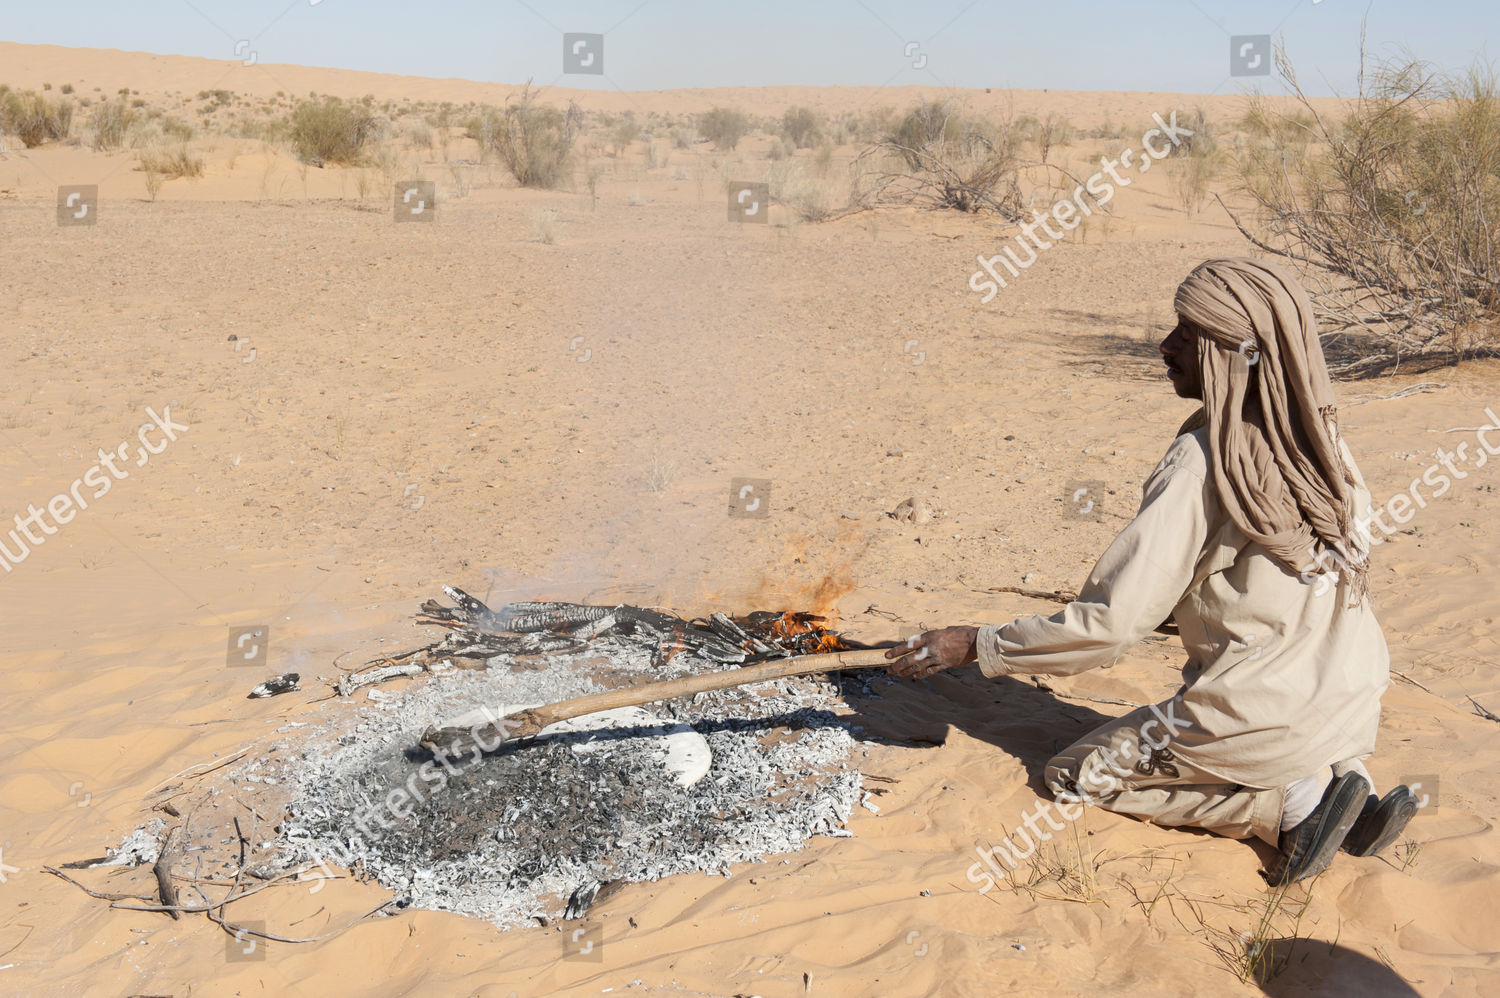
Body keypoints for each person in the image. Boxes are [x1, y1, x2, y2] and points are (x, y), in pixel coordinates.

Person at [887, 258, 1419, 885]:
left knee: (1075, 773)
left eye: (1189, 336)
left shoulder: (1203, 464)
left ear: (1232, 354)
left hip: (1264, 712)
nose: (1166, 346)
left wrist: (976, 644)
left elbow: (1110, 629)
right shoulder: (1324, 441)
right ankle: (1349, 784)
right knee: (1294, 722)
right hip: (1354, 696)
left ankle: (1286, 807)